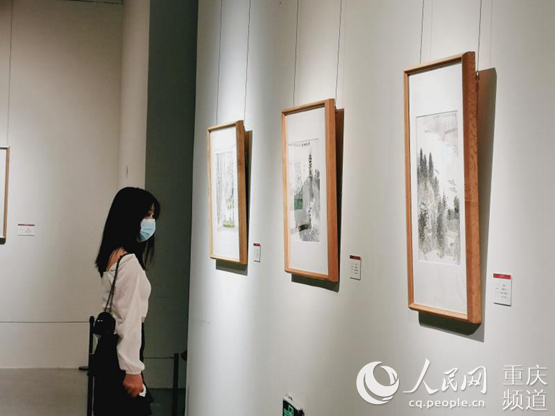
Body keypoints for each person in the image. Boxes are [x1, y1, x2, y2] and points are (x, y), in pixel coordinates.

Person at [93, 187, 160, 416]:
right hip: (121, 352)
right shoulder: (128, 262)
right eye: (147, 215)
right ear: (131, 217)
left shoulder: (113, 253)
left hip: (108, 348)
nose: (151, 222)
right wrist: (132, 369)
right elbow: (128, 318)